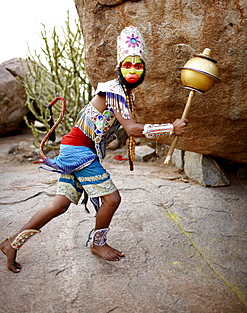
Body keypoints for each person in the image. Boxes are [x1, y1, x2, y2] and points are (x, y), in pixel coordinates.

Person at [0, 25, 188, 273]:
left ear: (144, 70)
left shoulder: (124, 94)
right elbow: (131, 129)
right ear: (118, 67)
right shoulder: (112, 90)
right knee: (112, 199)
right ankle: (97, 244)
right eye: (127, 65)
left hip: (73, 150)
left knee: (60, 205)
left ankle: (12, 243)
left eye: (138, 66)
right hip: (78, 152)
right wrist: (170, 128)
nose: (132, 70)